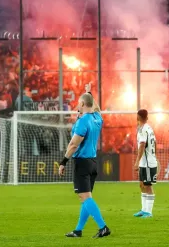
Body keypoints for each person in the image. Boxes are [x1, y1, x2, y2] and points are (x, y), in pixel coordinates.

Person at [59, 83, 111, 239]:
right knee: (85, 197)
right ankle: (78, 230)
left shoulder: (83, 122)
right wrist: (89, 93)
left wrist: (63, 162)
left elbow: (74, 144)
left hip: (82, 163)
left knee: (85, 197)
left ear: (82, 104)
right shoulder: (97, 118)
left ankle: (103, 227)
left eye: (79, 102)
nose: (77, 105)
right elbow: (95, 107)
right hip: (93, 162)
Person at [133, 109, 158, 218]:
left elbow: (142, 145)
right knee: (142, 185)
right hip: (145, 163)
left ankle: (149, 212)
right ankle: (144, 210)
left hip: (147, 163)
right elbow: (155, 143)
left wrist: (137, 161)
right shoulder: (148, 128)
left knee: (148, 186)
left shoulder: (143, 130)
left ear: (137, 117)